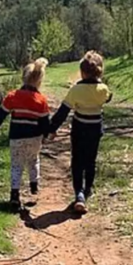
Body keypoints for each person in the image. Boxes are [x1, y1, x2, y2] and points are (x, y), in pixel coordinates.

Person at [49, 51, 112, 214]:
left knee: (77, 161)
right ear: (100, 71)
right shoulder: (103, 89)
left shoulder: (76, 90)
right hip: (95, 129)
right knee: (90, 160)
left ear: (82, 72)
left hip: (79, 129)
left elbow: (62, 112)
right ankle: (88, 189)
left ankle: (79, 194)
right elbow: (108, 97)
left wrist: (51, 128)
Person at [0, 58, 51, 209]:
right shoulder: (41, 100)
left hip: (16, 137)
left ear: (23, 78)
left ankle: (14, 194)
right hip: (34, 138)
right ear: (39, 80)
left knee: (16, 165)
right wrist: (47, 134)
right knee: (33, 160)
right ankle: (34, 184)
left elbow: (1, 113)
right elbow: (45, 122)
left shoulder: (13, 96)